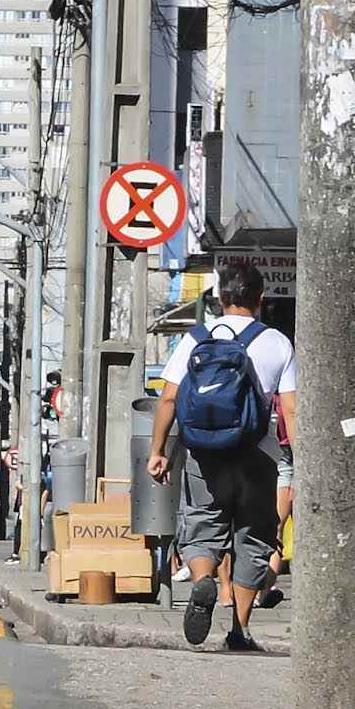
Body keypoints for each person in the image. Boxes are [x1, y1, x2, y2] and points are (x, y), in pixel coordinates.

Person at [145, 259, 298, 653]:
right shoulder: (277, 342)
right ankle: (239, 630)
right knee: (254, 537)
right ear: (261, 298)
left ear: (219, 298)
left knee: (201, 524)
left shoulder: (196, 338)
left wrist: (158, 451)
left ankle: (201, 580)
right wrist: (300, 460)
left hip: (203, 452)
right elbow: (291, 409)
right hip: (259, 456)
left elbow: (168, 399)